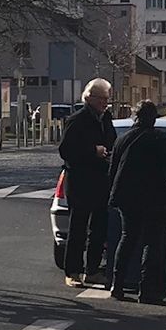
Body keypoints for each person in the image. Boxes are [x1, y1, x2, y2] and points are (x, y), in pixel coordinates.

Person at [107, 101, 166, 302]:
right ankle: (148, 289)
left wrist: (111, 194)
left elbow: (113, 170)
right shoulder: (158, 138)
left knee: (127, 239)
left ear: (136, 116)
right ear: (153, 119)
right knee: (153, 242)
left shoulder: (123, 139)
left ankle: (117, 285)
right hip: (154, 196)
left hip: (126, 197)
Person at [59, 78, 116, 288]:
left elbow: (112, 141)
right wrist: (93, 151)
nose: (105, 103)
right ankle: (73, 271)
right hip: (80, 181)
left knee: (98, 229)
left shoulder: (106, 119)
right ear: (89, 98)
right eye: (101, 98)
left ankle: (92, 271)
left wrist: (109, 153)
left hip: (101, 180)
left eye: (107, 99)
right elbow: (66, 151)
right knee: (78, 229)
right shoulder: (77, 120)